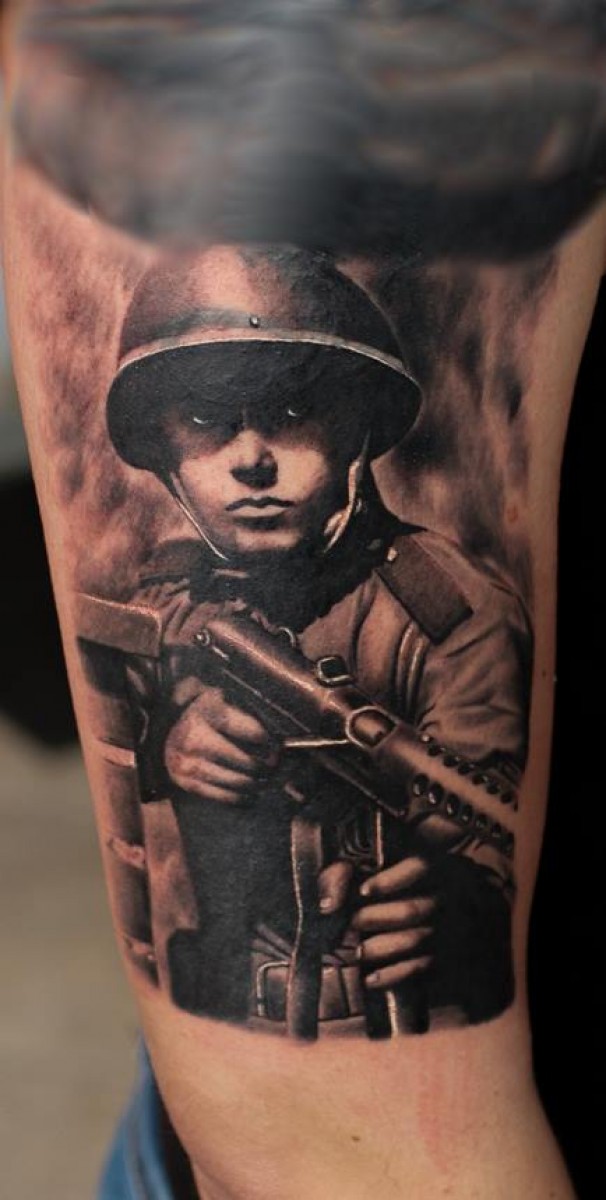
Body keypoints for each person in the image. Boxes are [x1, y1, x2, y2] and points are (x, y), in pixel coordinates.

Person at [102, 243, 531, 1038]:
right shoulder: (169, 597)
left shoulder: (446, 612)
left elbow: (497, 825)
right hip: (217, 1025)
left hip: (402, 1036)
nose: (251, 460)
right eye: (205, 419)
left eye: (293, 411)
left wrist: (459, 908)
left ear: (356, 429)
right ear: (163, 454)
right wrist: (168, 741)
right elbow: (109, 737)